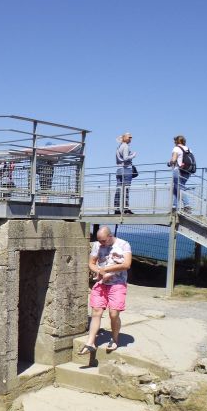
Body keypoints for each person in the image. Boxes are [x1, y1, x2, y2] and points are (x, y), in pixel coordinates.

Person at [78, 226, 132, 355]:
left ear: (110, 236)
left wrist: (107, 271)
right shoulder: (97, 245)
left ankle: (114, 339)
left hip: (117, 284)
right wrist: (99, 271)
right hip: (101, 283)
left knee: (113, 314)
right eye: (99, 240)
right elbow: (91, 263)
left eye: (103, 241)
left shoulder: (123, 245)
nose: (101, 243)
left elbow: (126, 264)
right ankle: (90, 343)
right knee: (96, 311)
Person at [114, 132, 137, 214]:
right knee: (126, 189)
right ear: (125, 138)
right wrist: (133, 155)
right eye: (129, 137)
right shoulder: (126, 146)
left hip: (119, 170)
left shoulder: (119, 146)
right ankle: (126, 208)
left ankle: (116, 208)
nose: (130, 139)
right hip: (126, 169)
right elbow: (125, 158)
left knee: (119, 189)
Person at [168, 135, 192, 212]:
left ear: (176, 141)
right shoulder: (189, 149)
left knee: (180, 187)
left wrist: (169, 163)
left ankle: (187, 205)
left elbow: (174, 160)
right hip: (187, 171)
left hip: (178, 170)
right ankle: (174, 206)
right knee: (177, 188)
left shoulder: (176, 148)